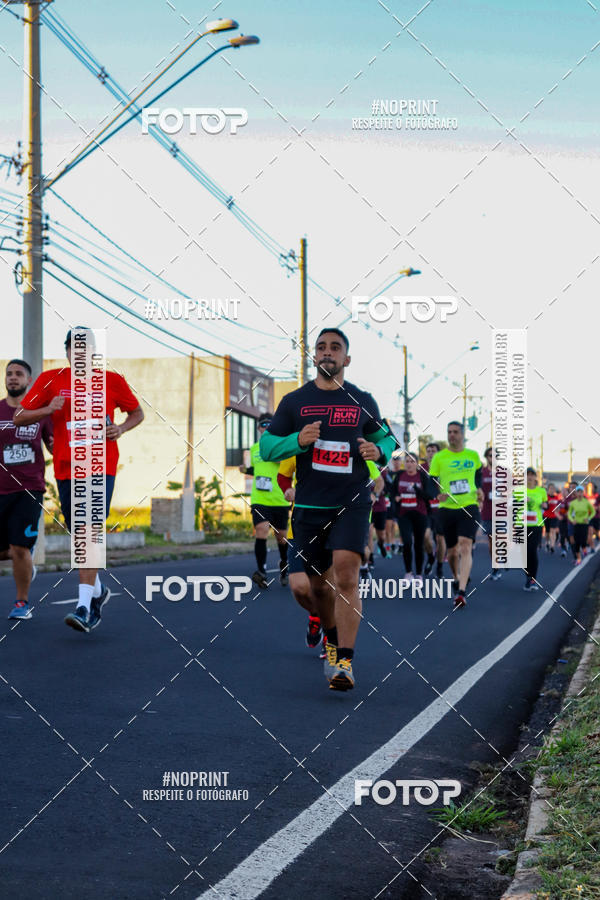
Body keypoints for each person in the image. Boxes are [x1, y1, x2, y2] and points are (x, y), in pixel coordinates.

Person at [260, 327, 395, 692]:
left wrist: (378, 451)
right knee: (311, 589)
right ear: (314, 356)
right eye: (321, 347)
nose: (327, 352)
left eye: (335, 348)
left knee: (347, 576)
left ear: (346, 359)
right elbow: (266, 448)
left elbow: (387, 438)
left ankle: (345, 663)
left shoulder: (362, 400)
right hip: (308, 506)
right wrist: (296, 440)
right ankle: (331, 637)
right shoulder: (295, 402)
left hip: (351, 501)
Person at [14, 328, 144, 632]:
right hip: (66, 468)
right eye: (75, 349)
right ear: (68, 352)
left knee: (88, 532)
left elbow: (137, 413)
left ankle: (85, 606)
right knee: (80, 535)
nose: (81, 355)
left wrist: (122, 429)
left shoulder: (112, 381)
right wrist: (48, 409)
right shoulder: (51, 379)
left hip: (100, 466)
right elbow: (20, 416)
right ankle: (98, 591)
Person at [0, 360, 53, 619]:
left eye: (18, 374)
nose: (12, 378)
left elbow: (55, 444)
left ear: (28, 380)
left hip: (29, 489)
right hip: (0, 489)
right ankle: (26, 564)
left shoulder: (41, 412)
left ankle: (21, 604)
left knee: (19, 547)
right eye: (9, 374)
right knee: (9, 551)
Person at [429, 422, 483, 609]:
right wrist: (436, 494)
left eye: (455, 432)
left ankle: (461, 592)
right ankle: (455, 576)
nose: (452, 435)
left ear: (462, 434)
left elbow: (478, 476)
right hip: (446, 509)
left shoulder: (473, 456)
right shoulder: (439, 457)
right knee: (452, 552)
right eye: (449, 432)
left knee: (466, 546)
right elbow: (431, 481)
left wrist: (480, 489)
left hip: (469, 506)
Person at [276, 455, 324, 654]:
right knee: (299, 587)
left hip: (331, 529)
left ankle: (332, 634)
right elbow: (283, 476)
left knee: (327, 589)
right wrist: (287, 489)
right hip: (300, 529)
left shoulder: (340, 441)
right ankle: (316, 615)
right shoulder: (298, 443)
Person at [239, 413, 290, 589]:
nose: (266, 427)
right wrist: (245, 469)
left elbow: (281, 464)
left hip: (280, 499)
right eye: (263, 425)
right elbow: (257, 469)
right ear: (258, 428)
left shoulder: (282, 447)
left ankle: (284, 565)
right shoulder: (254, 449)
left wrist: (273, 448)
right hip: (260, 498)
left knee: (281, 539)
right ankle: (261, 571)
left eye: (270, 424)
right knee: (261, 530)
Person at [393, 452, 428, 582]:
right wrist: (395, 496)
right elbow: (392, 490)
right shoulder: (400, 475)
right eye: (407, 461)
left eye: (412, 461)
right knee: (407, 542)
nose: (409, 464)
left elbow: (427, 495)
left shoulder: (422, 476)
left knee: (419, 544)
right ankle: (408, 572)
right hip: (404, 514)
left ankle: (419, 573)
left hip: (420, 514)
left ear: (417, 464)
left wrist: (416, 489)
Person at [478, 446, 501, 581]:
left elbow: (514, 487)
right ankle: (495, 567)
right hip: (487, 511)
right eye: (489, 455)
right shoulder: (482, 473)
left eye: (494, 455)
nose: (492, 458)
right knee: (492, 541)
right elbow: (477, 488)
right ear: (486, 457)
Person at [422, 442, 445, 577]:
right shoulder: (421, 468)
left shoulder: (444, 468)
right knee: (425, 537)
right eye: (429, 451)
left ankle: (440, 566)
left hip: (441, 509)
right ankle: (431, 557)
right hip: (426, 509)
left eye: (433, 451)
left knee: (441, 539)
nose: (431, 453)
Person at [523, 468, 547, 591]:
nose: (530, 477)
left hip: (536, 524)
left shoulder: (541, 491)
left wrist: (544, 505)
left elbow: (546, 505)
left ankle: (532, 579)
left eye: (532, 475)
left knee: (532, 550)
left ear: (535, 477)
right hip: (521, 524)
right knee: (524, 553)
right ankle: (528, 576)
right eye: (527, 475)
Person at [568, 485, 595, 565]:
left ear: (583, 493)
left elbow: (593, 512)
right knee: (576, 542)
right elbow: (569, 514)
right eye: (578, 492)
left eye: (581, 492)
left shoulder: (586, 502)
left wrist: (589, 518)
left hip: (584, 524)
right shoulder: (573, 503)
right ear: (576, 493)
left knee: (583, 541)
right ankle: (579, 559)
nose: (580, 493)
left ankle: (584, 549)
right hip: (576, 524)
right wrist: (572, 520)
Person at [542, 483, 561, 553]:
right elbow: (543, 506)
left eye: (553, 488)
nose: (552, 490)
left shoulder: (557, 497)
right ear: (548, 489)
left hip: (554, 516)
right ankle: (547, 542)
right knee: (547, 532)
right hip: (546, 516)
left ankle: (552, 546)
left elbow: (559, 507)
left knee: (553, 530)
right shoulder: (545, 497)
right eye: (551, 488)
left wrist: (558, 509)